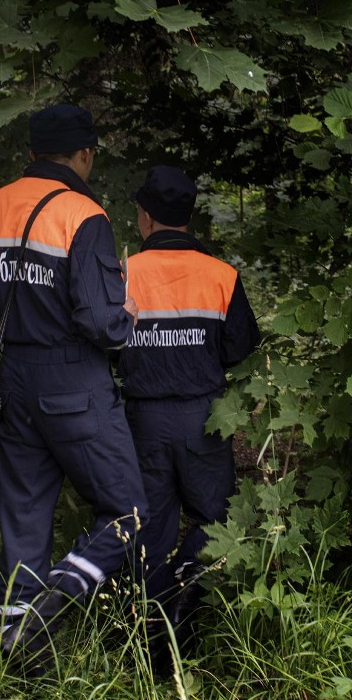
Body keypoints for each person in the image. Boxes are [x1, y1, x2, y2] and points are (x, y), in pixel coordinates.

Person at [0, 103, 148, 664]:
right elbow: (99, 319)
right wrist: (128, 319)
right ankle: (58, 598)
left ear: (30, 154)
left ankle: (16, 655)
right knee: (130, 514)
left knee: (24, 521)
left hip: (13, 383)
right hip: (74, 381)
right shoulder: (82, 214)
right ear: (85, 154)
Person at [116, 165, 260, 668]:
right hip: (205, 417)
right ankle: (184, 604)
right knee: (214, 520)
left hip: (143, 421)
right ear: (188, 215)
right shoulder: (222, 275)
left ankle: (151, 639)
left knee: (149, 527)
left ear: (146, 217)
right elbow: (240, 346)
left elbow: (103, 341)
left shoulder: (123, 273)